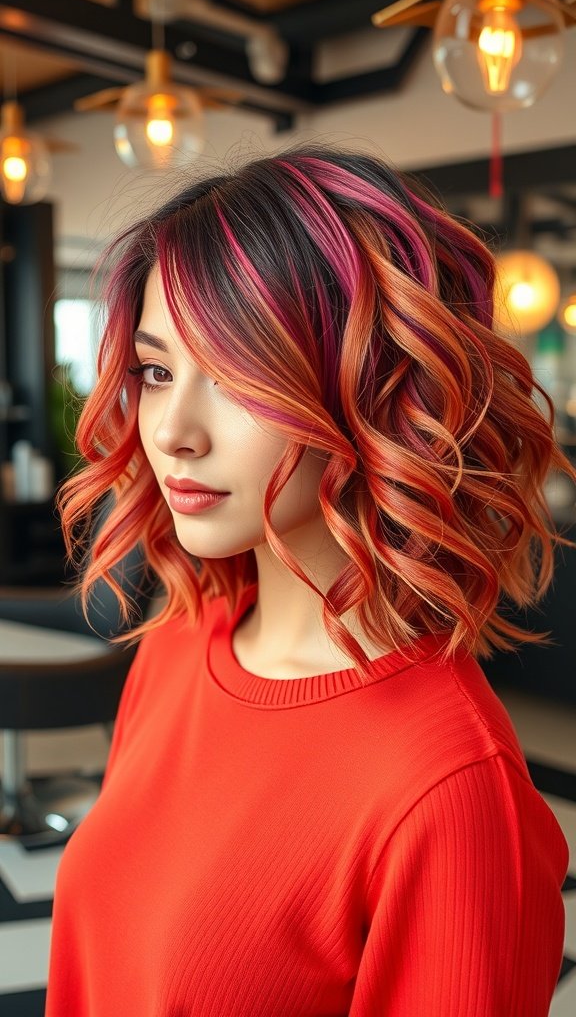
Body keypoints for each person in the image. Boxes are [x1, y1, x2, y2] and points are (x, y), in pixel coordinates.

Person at [46, 145, 574, 1016]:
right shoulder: (179, 644)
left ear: (371, 388)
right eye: (157, 369)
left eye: (239, 376)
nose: (173, 429)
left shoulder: (449, 794)